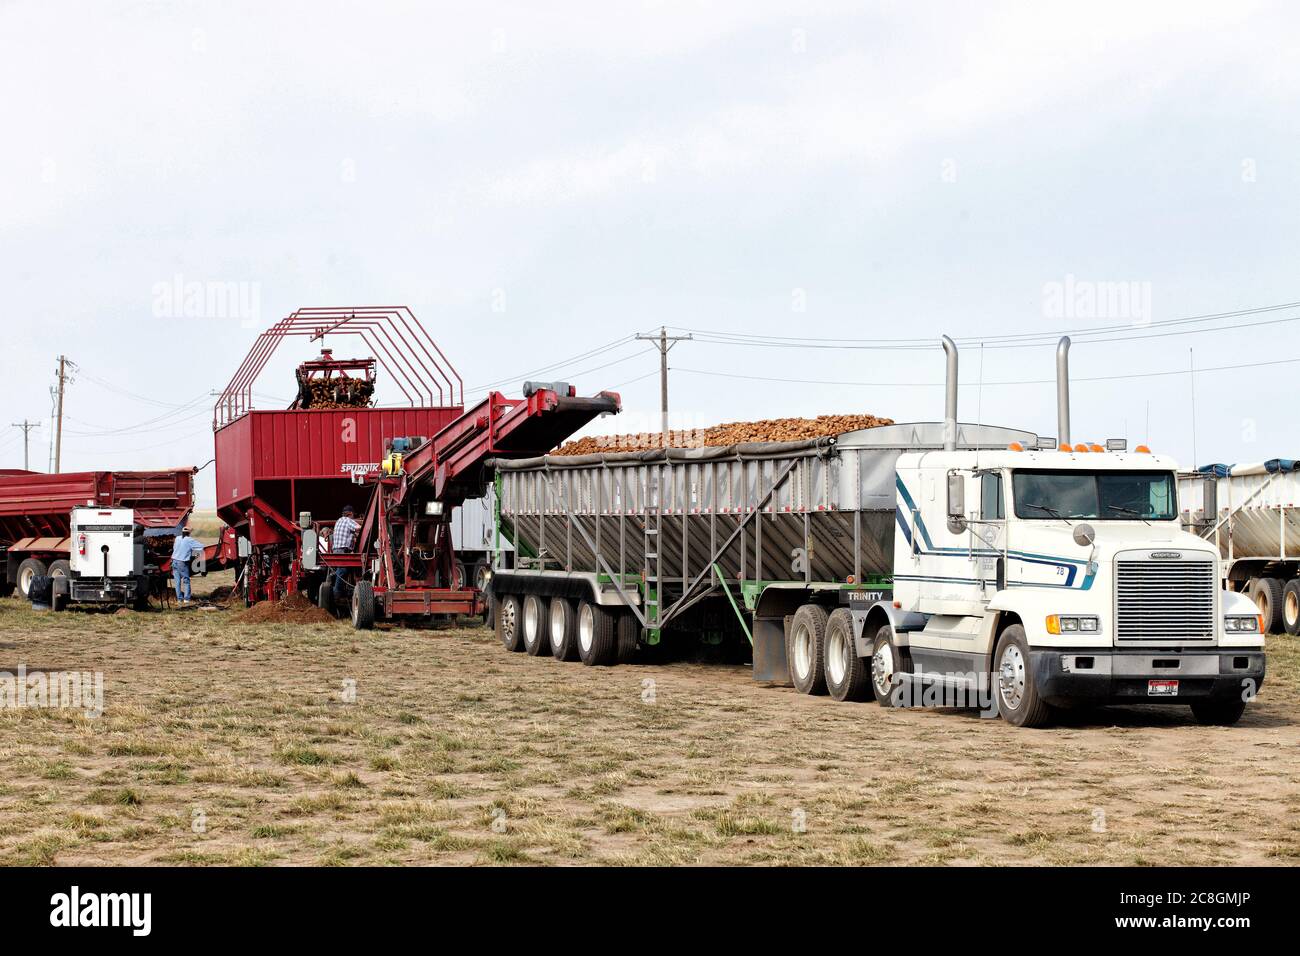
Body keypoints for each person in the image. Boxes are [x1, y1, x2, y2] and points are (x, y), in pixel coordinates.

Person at [331, 504, 361, 602]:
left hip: (336, 549)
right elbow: (360, 528)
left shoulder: (339, 521)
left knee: (344, 570)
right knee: (343, 570)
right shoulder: (348, 521)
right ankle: (336, 593)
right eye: (353, 515)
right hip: (342, 550)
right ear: (350, 514)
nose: (354, 517)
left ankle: (342, 591)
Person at [171, 528, 205, 606]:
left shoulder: (177, 538)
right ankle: (186, 599)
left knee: (177, 582)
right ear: (189, 533)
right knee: (186, 580)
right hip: (182, 562)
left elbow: (174, 548)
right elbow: (201, 547)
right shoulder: (189, 540)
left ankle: (179, 599)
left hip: (174, 561)